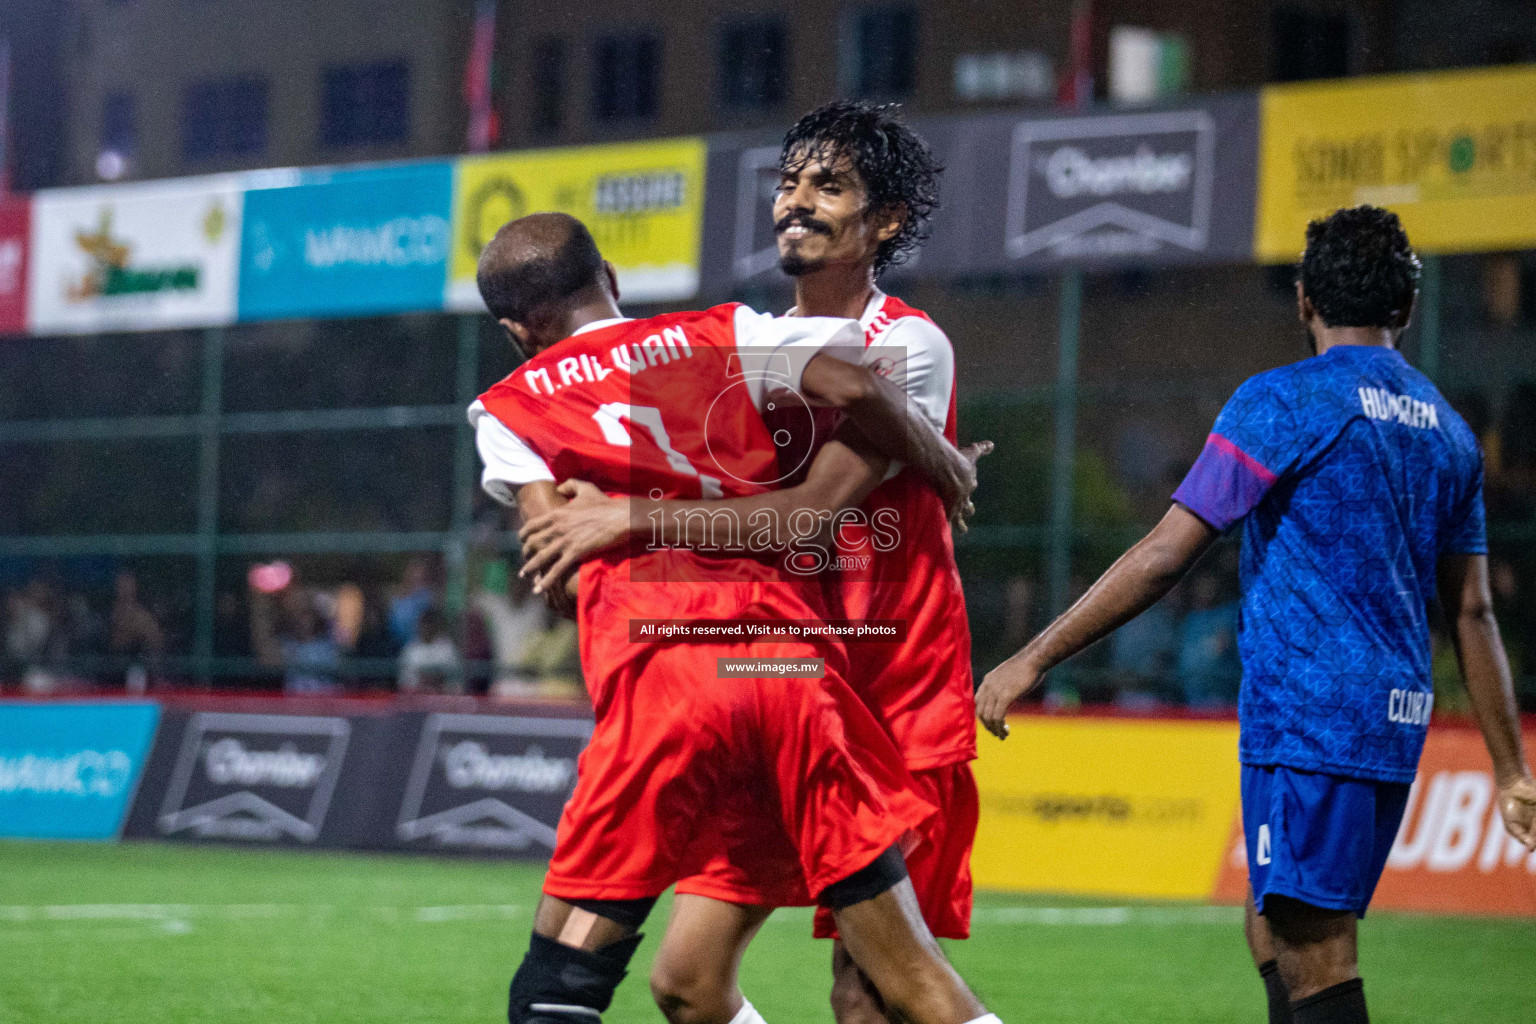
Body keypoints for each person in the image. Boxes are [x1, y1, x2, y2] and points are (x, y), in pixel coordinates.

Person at [976, 205, 1536, 1024]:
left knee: (1316, 959)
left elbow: (1168, 553)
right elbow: (1473, 610)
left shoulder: (1284, 402)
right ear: (1406, 309)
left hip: (1311, 719)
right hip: (1392, 721)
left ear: (1305, 298)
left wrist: (1033, 656)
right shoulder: (1449, 432)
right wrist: (1510, 769)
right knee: (1272, 930)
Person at [517, 101, 982, 1024]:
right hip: (779, 685)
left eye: (829, 186)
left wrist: (631, 521)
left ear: (884, 221)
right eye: (788, 182)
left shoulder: (906, 345)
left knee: (875, 995)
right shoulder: (749, 343)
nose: (795, 203)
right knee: (685, 985)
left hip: (891, 694)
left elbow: (809, 522)